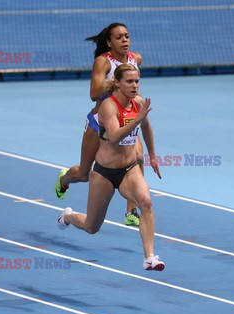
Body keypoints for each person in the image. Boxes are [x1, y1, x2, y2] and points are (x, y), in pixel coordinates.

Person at [57, 64, 165, 271]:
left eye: (137, 81)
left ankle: (150, 257)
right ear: (118, 83)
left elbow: (147, 127)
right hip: (104, 173)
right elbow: (115, 137)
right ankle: (68, 216)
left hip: (129, 170)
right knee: (91, 227)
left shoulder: (138, 102)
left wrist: (152, 156)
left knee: (146, 202)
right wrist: (137, 119)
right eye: (129, 81)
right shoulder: (109, 106)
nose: (134, 86)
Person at [55, 22, 144, 227]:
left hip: (124, 121)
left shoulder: (135, 59)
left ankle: (131, 211)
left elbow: (133, 87)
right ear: (109, 42)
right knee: (83, 174)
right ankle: (64, 180)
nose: (125, 40)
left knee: (138, 157)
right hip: (98, 124)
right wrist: (115, 84)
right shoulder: (103, 62)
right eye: (119, 37)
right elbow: (94, 94)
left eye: (127, 36)